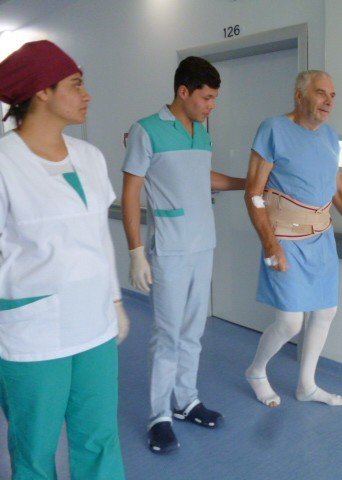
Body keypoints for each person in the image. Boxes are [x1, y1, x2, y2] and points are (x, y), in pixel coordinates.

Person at [0, 40, 127, 479]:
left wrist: (115, 301)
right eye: (75, 84)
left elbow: (99, 236)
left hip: (95, 324)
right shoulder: (4, 162)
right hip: (32, 331)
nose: (87, 95)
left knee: (100, 439)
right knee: (34, 450)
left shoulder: (90, 157)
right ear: (42, 91)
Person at [244, 70, 342, 408]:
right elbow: (253, 192)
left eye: (333, 95)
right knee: (290, 322)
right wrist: (270, 244)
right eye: (321, 93)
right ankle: (256, 371)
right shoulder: (273, 129)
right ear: (300, 96)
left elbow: (337, 190)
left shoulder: (330, 137)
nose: (329, 101)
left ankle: (306, 385)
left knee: (325, 312)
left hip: (321, 238)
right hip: (284, 238)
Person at [121, 56, 245, 454]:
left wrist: (247, 182)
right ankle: (159, 416)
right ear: (183, 91)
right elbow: (131, 192)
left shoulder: (201, 134)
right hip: (170, 250)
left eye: (214, 98)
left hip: (203, 244)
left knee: (193, 331)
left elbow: (203, 177)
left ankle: (186, 400)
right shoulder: (147, 130)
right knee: (168, 334)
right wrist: (135, 251)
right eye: (207, 98)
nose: (212, 106)